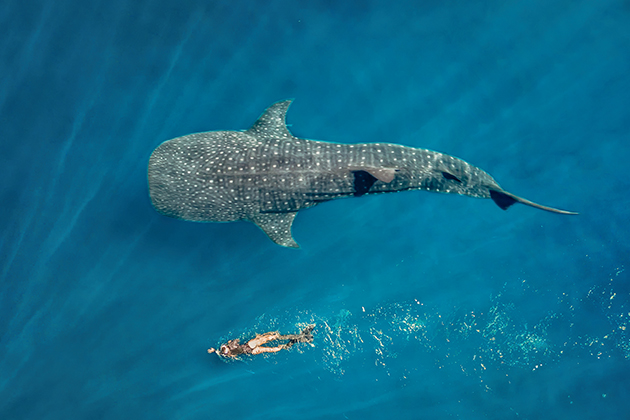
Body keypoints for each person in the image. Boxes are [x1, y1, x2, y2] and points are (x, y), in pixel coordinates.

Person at [208, 325, 315, 359]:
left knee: (274, 349)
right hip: (250, 345)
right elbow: (236, 341)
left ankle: (295, 341)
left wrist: (214, 351)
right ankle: (300, 336)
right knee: (275, 337)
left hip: (250, 351)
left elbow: (220, 352)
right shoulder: (229, 346)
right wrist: (231, 341)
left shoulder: (228, 354)